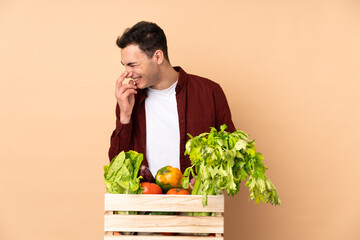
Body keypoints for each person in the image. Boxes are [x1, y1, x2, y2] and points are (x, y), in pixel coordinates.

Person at [108, 21, 235, 176]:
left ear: (158, 56)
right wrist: (125, 116)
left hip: (196, 199)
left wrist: (209, 179)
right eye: (125, 66)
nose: (127, 73)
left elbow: (232, 152)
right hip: (145, 197)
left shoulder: (210, 92)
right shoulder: (129, 98)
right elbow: (117, 168)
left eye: (133, 65)